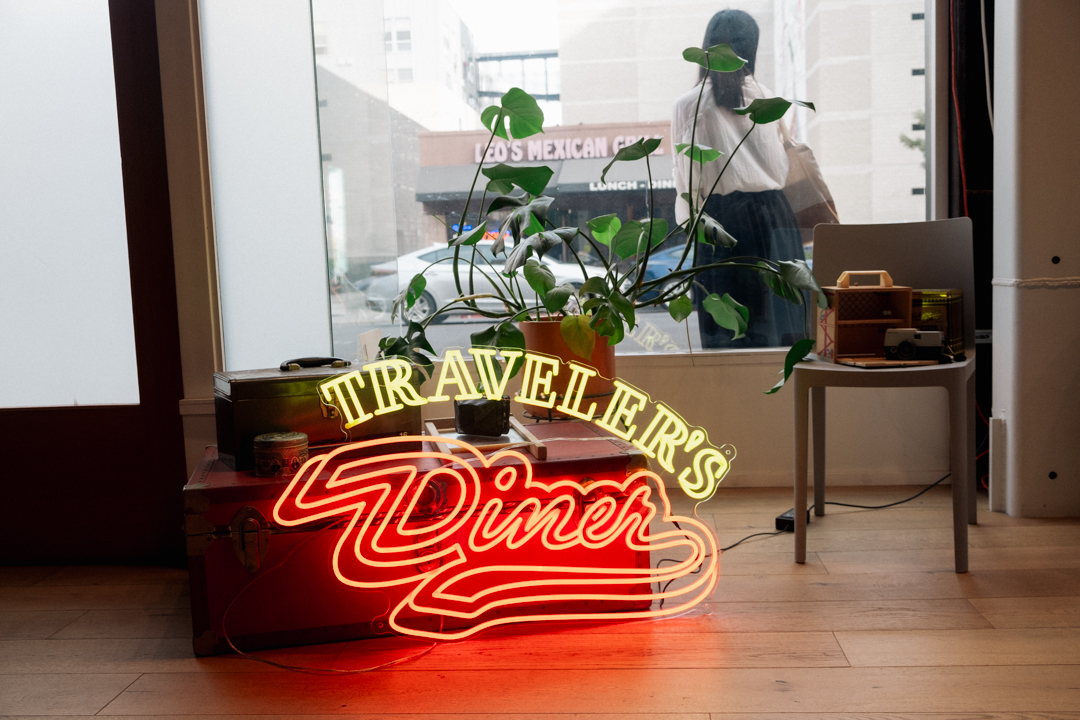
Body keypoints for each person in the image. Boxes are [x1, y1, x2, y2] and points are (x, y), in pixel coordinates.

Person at [672, 9, 807, 349]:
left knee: (728, 339)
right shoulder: (769, 99)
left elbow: (688, 187)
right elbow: (783, 166)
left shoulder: (688, 106)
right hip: (776, 220)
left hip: (721, 224)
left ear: (706, 50)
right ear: (753, 50)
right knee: (785, 331)